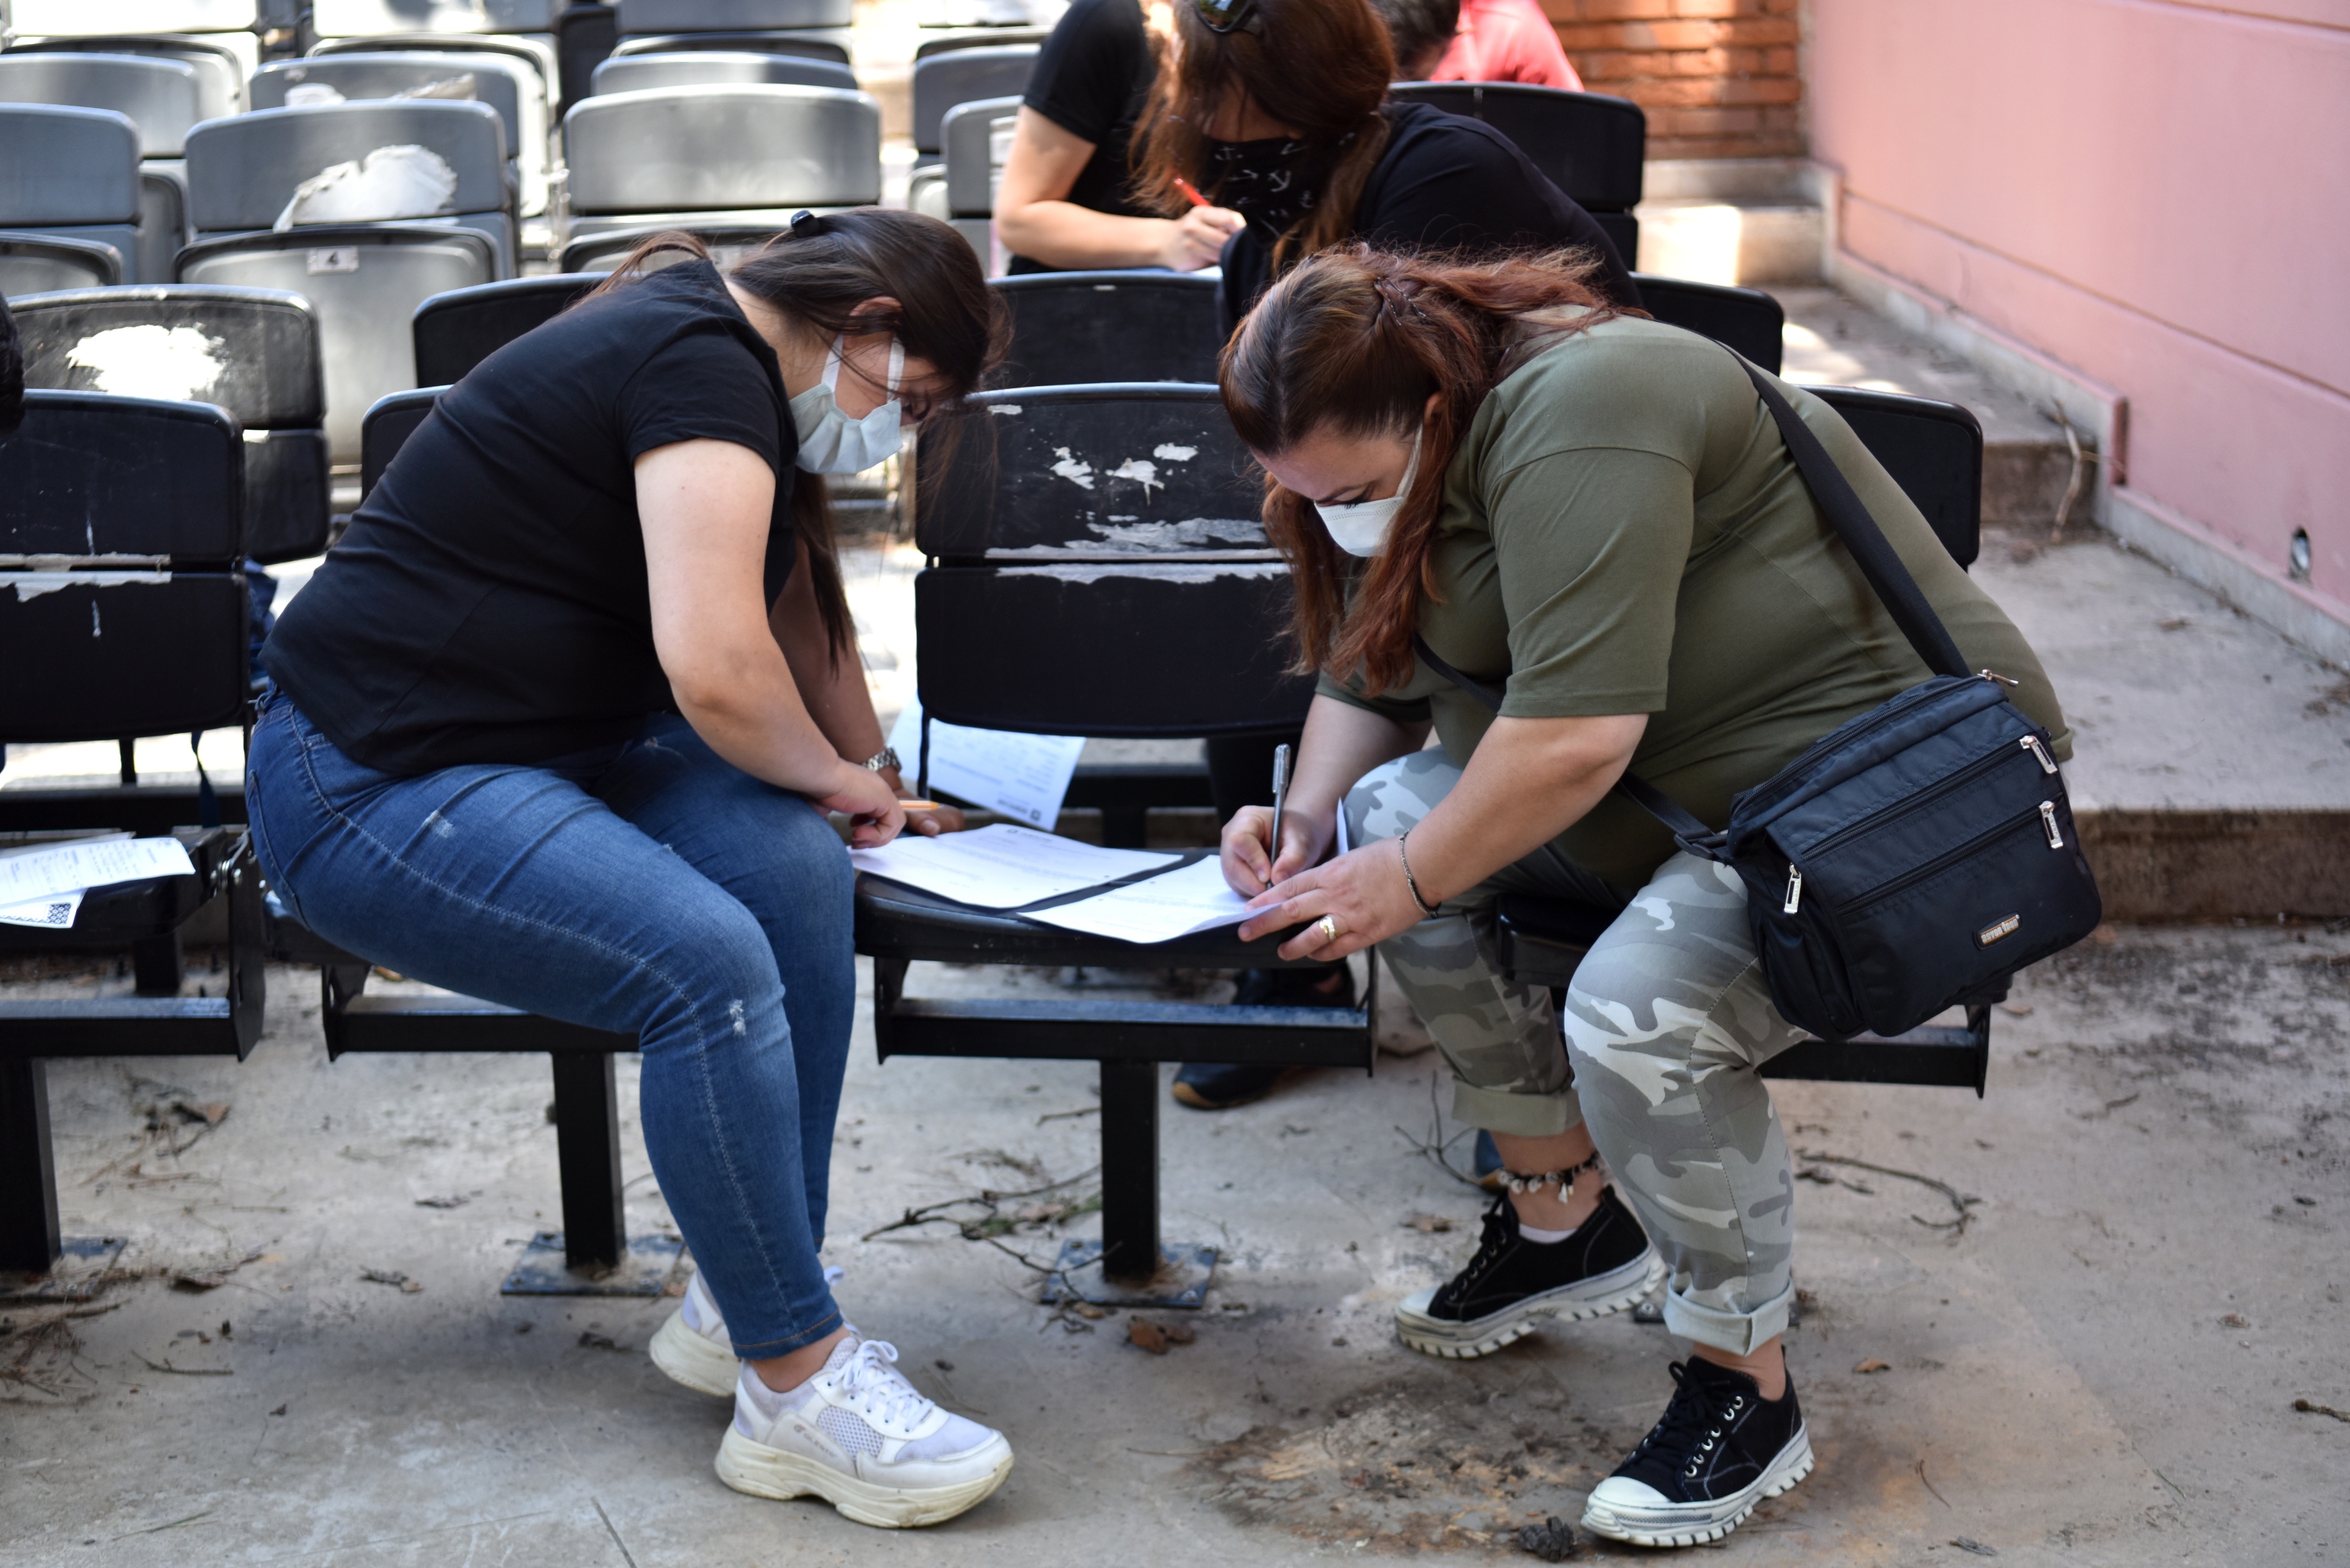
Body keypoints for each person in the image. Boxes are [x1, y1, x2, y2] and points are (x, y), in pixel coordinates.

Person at [1213, 245, 2070, 1547]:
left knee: (1633, 1009)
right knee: (1382, 823)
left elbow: (1574, 739)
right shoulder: (1431, 444)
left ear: (1429, 409)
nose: (1337, 519)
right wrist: (1306, 820)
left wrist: (1408, 877)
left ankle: (1745, 1382)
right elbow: (1371, 667)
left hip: (1875, 806)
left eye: (1354, 492)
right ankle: (1562, 1215)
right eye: (1308, 497)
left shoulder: (1588, 404)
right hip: (1682, 799)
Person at [246, 211, 1020, 1530]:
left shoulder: (740, 371)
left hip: (561, 746)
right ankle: (796, 1391)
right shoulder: (696, 359)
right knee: (701, 963)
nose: (900, 433)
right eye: (916, 401)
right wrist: (838, 776)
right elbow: (717, 668)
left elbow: (795, 608)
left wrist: (869, 781)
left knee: (795, 865)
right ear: (872, 328)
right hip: (370, 772)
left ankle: (747, 1295)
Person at [1127, 0, 1636, 1110]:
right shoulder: (1263, 243)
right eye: (1204, 121)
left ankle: (1548, 1031)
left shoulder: (1442, 176)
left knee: (1430, 692)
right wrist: (1307, 805)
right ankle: (1293, 944)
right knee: (1262, 604)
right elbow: (1290, 458)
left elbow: (1443, 428)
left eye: (1241, 125)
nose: (1220, 152)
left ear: (1312, 101)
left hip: (1544, 517)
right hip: (1404, 523)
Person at [993, 0, 1246, 272]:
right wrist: (1169, 240)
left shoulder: (1264, 26)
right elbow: (1019, 222)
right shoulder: (1108, 19)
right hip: (1093, 288)